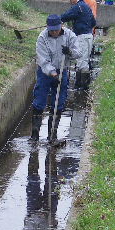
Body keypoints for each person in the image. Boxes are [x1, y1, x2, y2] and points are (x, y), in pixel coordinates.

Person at [31, 14, 80, 142]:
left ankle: (52, 135)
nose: (54, 32)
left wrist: (70, 52)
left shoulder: (69, 35)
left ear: (61, 26)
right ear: (47, 28)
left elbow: (78, 52)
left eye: (56, 30)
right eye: (51, 30)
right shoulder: (42, 38)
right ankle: (34, 136)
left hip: (62, 70)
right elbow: (43, 60)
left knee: (59, 101)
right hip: (45, 72)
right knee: (39, 100)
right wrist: (53, 73)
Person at [60, 0, 96, 90]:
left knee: (81, 61)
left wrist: (56, 21)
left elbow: (65, 16)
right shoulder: (86, 6)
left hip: (82, 36)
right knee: (84, 59)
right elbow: (93, 22)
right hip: (89, 36)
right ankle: (79, 85)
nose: (70, 0)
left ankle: (83, 86)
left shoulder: (78, 7)